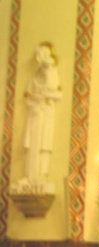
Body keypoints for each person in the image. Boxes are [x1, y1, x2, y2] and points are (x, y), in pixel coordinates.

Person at [23, 42, 62, 184]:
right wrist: (34, 101)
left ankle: (42, 175)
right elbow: (27, 96)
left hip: (46, 114)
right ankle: (29, 176)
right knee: (30, 145)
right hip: (34, 114)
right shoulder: (34, 77)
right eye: (41, 55)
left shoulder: (52, 74)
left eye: (45, 55)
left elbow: (57, 93)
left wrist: (45, 96)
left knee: (44, 144)